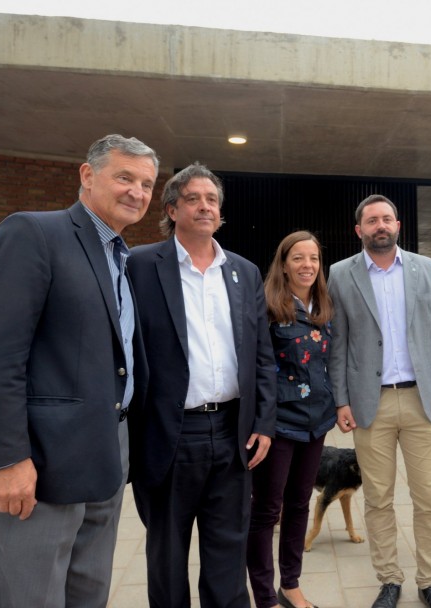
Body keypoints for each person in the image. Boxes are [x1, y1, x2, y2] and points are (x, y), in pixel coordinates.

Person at [0, 134, 158, 607]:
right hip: (39, 463)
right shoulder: (34, 234)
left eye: (146, 183)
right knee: (31, 597)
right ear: (87, 175)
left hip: (107, 452)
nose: (137, 192)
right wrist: (4, 458)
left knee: (89, 593)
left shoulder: (120, 256)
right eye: (124, 177)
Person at [127, 162, 276, 608]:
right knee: (168, 555)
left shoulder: (244, 272)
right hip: (169, 435)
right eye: (193, 198)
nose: (205, 206)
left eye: (212, 199)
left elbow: (261, 355)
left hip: (233, 433)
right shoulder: (139, 266)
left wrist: (263, 421)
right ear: (172, 209)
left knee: (228, 551)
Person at [328, 194, 431, 608]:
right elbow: (338, 344)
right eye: (372, 221)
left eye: (387, 219)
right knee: (378, 499)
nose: (380, 226)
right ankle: (389, 579)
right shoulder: (340, 274)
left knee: (429, 499)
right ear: (360, 230)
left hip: (423, 403)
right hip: (371, 405)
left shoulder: (423, 269)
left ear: (398, 225)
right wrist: (341, 400)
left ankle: (430, 581)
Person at [246, 231, 336, 608]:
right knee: (268, 509)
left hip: (316, 424)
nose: (307, 266)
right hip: (278, 425)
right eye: (298, 258)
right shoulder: (266, 306)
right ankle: (264, 594)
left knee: (299, 503)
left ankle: (291, 584)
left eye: (313, 258)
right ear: (283, 264)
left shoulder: (323, 307)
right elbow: (257, 369)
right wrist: (261, 424)